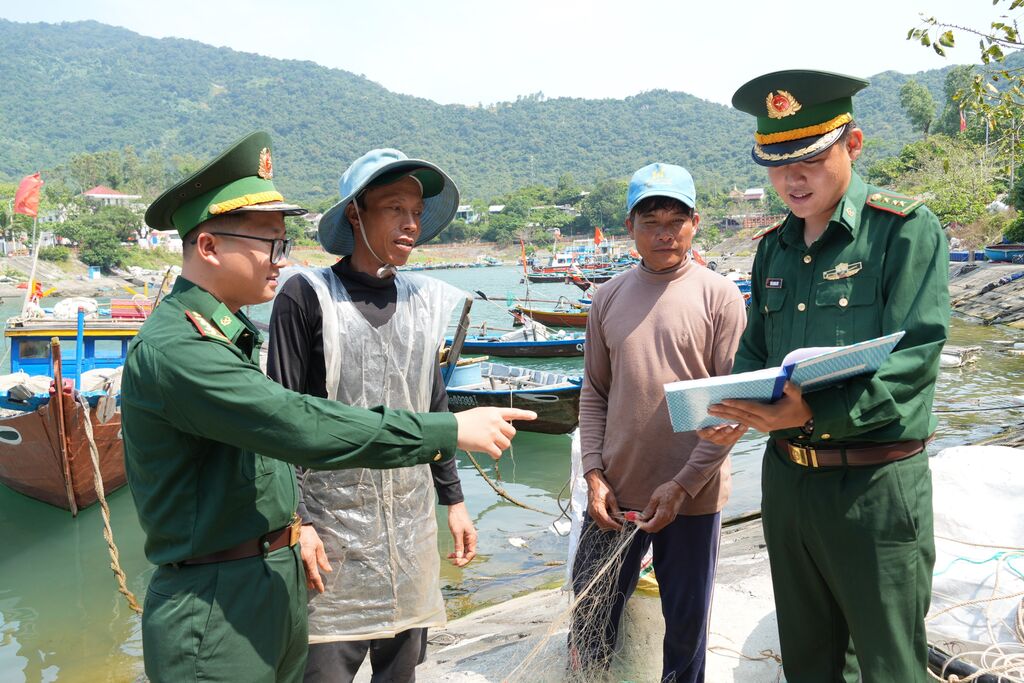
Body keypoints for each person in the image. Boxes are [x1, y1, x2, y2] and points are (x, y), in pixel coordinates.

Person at [121, 131, 535, 683]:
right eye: (271, 244)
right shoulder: (187, 348)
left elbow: (414, 394)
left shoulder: (229, 334)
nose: (282, 260)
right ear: (210, 247)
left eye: (284, 243)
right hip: (227, 593)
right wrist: (446, 431)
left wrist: (450, 494)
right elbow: (298, 424)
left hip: (283, 571)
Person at [703, 71, 950, 682]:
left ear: (853, 145)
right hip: (788, 483)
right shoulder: (773, 248)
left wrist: (813, 411)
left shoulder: (903, 230)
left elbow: (915, 356)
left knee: (890, 664)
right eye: (777, 165)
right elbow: (757, 349)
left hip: (873, 485)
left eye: (809, 159)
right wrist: (732, 408)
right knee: (808, 662)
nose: (792, 179)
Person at [266, 148, 475, 682]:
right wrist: (296, 522)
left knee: (400, 674)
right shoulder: (307, 296)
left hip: (409, 532)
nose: (411, 224)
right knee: (323, 672)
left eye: (417, 212)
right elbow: (281, 422)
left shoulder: (422, 301)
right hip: (330, 537)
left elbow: (432, 407)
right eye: (395, 208)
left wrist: (453, 500)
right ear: (355, 214)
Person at [571, 163, 747, 682]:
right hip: (615, 494)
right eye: (651, 221)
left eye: (676, 220)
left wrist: (684, 484)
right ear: (631, 227)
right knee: (590, 612)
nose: (664, 233)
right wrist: (593, 474)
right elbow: (595, 392)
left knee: (686, 628)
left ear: (695, 223)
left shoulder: (720, 296)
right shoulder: (606, 297)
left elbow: (733, 406)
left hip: (693, 496)